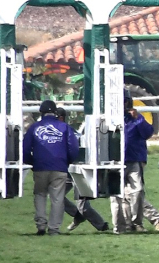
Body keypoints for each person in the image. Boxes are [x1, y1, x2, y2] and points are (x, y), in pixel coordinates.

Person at [111, 92, 159, 234]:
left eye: (124, 102)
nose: (122, 105)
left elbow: (148, 133)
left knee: (137, 191)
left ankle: (137, 222)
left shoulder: (135, 118)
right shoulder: (111, 119)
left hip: (135, 159)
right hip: (116, 161)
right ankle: (129, 225)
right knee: (121, 195)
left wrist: (138, 119)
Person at [23, 99, 79, 235]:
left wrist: (32, 162)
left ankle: (41, 225)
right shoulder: (64, 127)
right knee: (57, 198)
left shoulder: (34, 128)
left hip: (40, 167)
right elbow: (73, 148)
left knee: (40, 195)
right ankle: (54, 228)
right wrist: (67, 161)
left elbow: (24, 149)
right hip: (59, 167)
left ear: (41, 112)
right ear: (54, 113)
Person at [57, 108, 109, 233]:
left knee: (83, 206)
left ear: (61, 118)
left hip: (78, 170)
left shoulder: (69, 132)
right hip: (67, 170)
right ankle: (77, 215)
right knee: (56, 195)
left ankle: (101, 226)